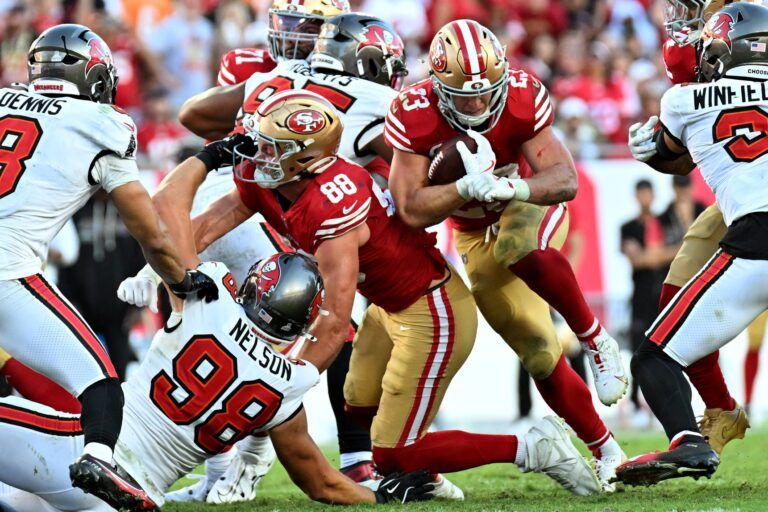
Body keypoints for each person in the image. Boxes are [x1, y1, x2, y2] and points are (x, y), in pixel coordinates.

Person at [151, 89, 603, 498]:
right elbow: (204, 226)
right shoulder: (267, 178)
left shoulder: (332, 205)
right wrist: (167, 273)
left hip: (432, 309)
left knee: (390, 456)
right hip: (390, 308)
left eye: (274, 148)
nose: (259, 155)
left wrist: (284, 382)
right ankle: (428, 479)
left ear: (305, 159)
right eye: (262, 142)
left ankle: (534, 447)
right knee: (356, 405)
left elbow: (332, 318)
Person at [384, 19, 625, 490]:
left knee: (517, 244)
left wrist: (513, 185)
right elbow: (410, 208)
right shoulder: (413, 111)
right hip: (472, 233)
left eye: (484, 92)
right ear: (436, 86)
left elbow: (564, 180)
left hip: (524, 204)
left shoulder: (520, 94)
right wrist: (460, 188)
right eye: (464, 96)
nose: (476, 104)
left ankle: (596, 339)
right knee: (536, 348)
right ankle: (608, 452)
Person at [0, 254, 437, 511]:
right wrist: (378, 496)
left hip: (87, 453)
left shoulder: (213, 302)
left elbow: (166, 224)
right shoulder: (289, 384)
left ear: (254, 288)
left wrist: (210, 159)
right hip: (136, 495)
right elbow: (321, 483)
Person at [0, 23, 217, 507]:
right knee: (100, 382)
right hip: (8, 272)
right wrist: (179, 276)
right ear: (93, 75)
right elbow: (149, 230)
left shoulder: (3, 98)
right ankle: (98, 457)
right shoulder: (101, 122)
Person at [617, 2, 768, 485]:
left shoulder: (685, 98)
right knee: (672, 300)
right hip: (737, 217)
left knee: (653, 355)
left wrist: (654, 150)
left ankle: (690, 439)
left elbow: (675, 154)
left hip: (756, 235)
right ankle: (721, 409)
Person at [620, 180, 668, 415]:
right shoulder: (628, 227)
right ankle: (635, 401)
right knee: (639, 349)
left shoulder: (664, 223)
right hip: (640, 296)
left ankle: (663, 401)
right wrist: (661, 254)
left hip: (664, 294)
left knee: (664, 350)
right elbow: (637, 259)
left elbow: (679, 250)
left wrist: (650, 254)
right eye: (641, 194)